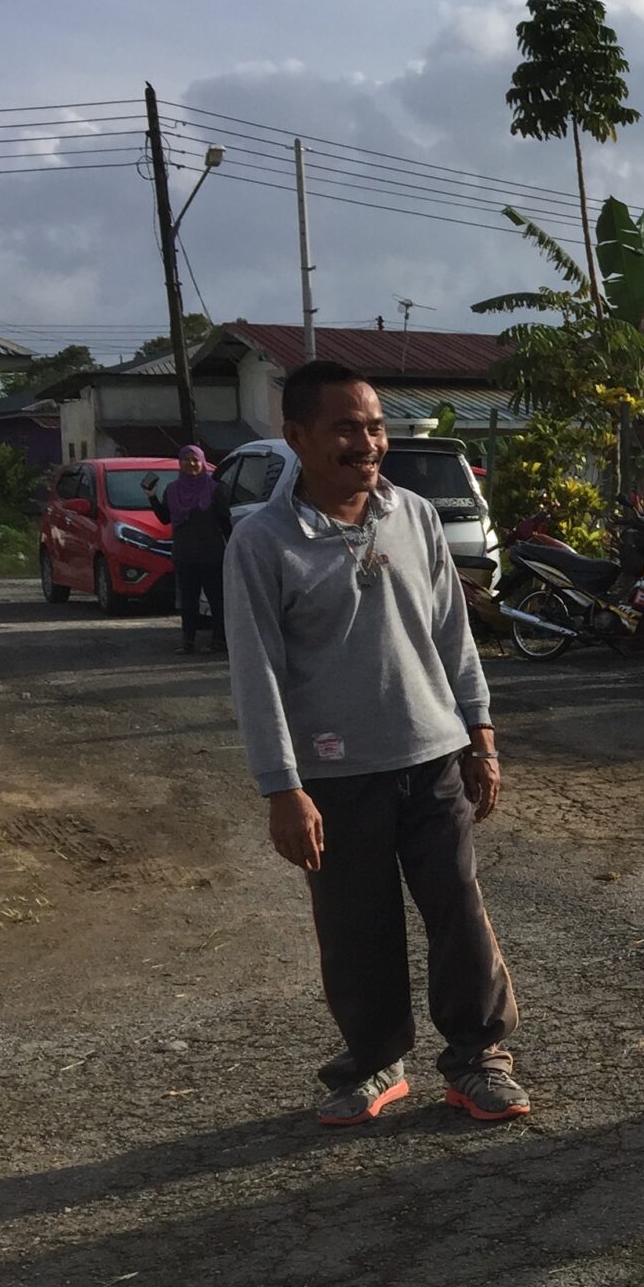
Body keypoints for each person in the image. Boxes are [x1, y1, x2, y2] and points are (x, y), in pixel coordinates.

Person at [224, 360, 526, 1127]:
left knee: (459, 911)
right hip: (335, 776)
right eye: (346, 429)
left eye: (376, 426)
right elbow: (257, 672)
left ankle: (478, 1059)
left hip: (432, 759)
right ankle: (376, 1062)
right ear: (297, 436)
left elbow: (453, 634)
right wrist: (282, 787)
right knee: (357, 929)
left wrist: (481, 736)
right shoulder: (261, 543)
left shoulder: (414, 515)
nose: (367, 443)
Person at [153, 441, 231, 653]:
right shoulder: (172, 490)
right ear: (180, 463)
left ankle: (219, 641)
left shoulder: (215, 490)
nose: (191, 464)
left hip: (212, 554)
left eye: (195, 460)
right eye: (186, 460)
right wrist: (151, 496)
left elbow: (225, 522)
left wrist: (232, 549)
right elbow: (165, 518)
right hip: (185, 555)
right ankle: (188, 642)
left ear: (203, 462)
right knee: (188, 601)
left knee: (216, 600)